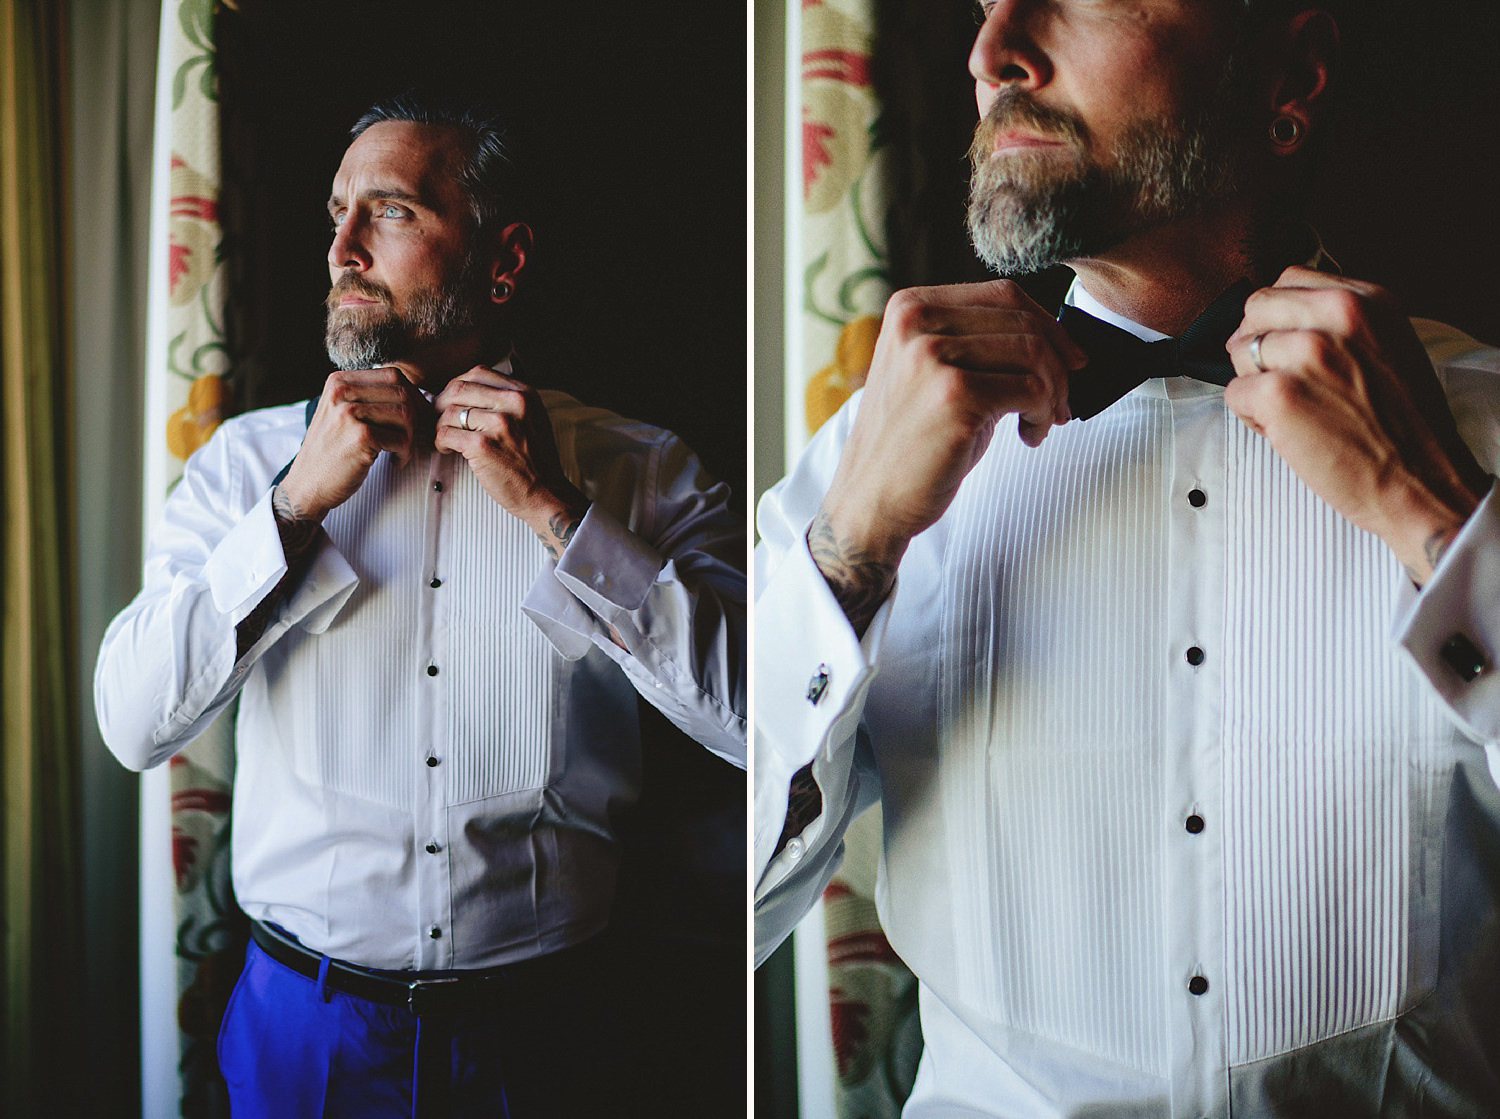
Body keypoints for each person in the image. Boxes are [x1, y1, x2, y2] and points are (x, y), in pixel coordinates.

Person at [755, 2, 1500, 1115]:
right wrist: (851, 555)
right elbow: (740, 904)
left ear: (1290, 73)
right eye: (984, 4)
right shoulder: (866, 466)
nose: (992, 50)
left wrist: (1446, 528)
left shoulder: (1477, 437)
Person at [96, 93, 746, 1117]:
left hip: (554, 1035)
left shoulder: (642, 470)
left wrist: (563, 518)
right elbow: (131, 724)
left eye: (390, 211)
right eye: (336, 215)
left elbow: (764, 727)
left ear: (505, 258)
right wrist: (293, 510)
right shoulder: (246, 469)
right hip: (303, 1033)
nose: (343, 248)